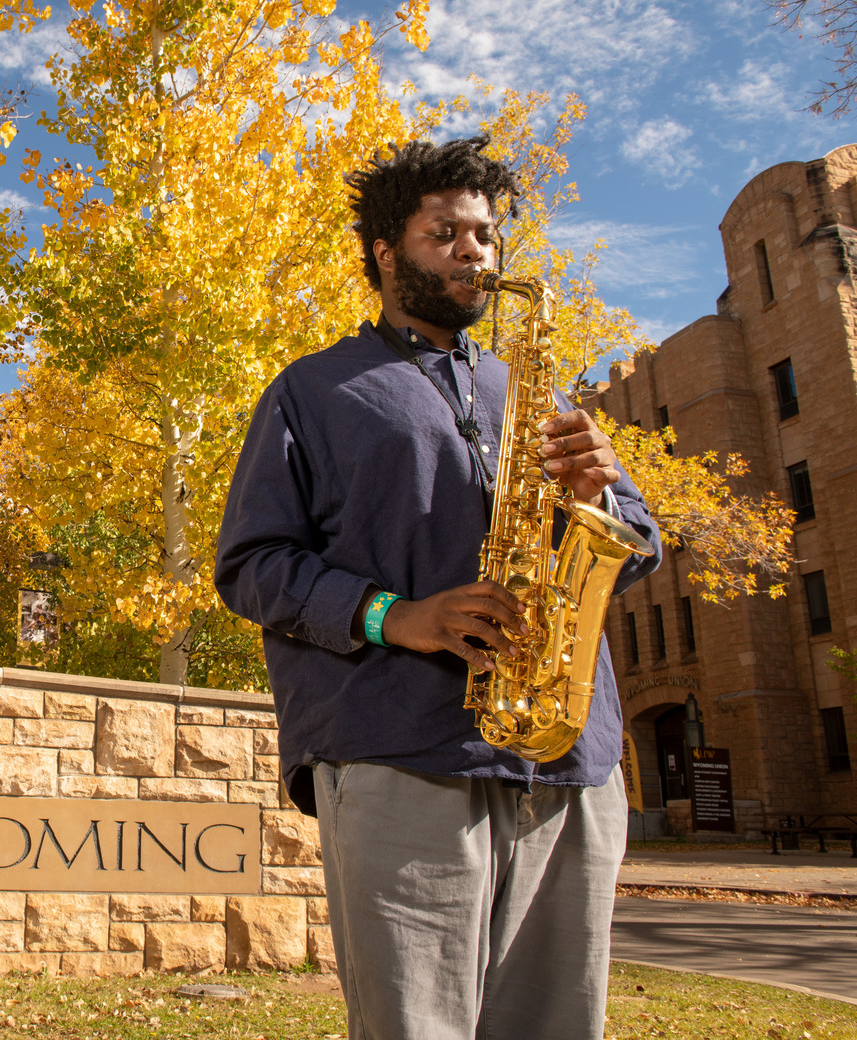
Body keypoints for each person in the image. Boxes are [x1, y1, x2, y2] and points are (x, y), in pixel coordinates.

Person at [214, 135, 661, 1040]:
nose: (475, 252)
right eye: (446, 232)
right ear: (386, 252)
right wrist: (395, 615)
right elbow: (250, 565)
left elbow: (638, 545)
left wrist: (603, 489)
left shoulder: (531, 392)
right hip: (398, 751)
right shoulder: (312, 390)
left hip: (565, 759)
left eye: (487, 236)